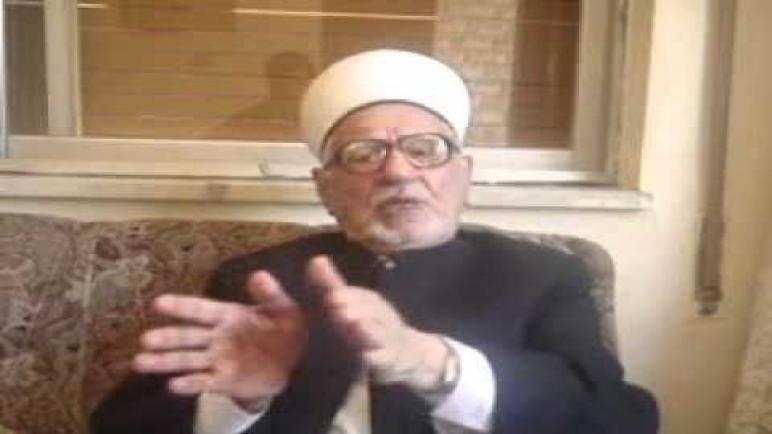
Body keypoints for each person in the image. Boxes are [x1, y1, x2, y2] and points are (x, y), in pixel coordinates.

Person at [90, 49, 658, 434]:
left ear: (463, 173)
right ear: (326, 188)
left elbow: (618, 421)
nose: (398, 172)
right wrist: (235, 402)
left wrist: (432, 363)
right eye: (363, 154)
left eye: (426, 149)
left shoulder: (543, 275)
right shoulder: (257, 281)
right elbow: (119, 427)